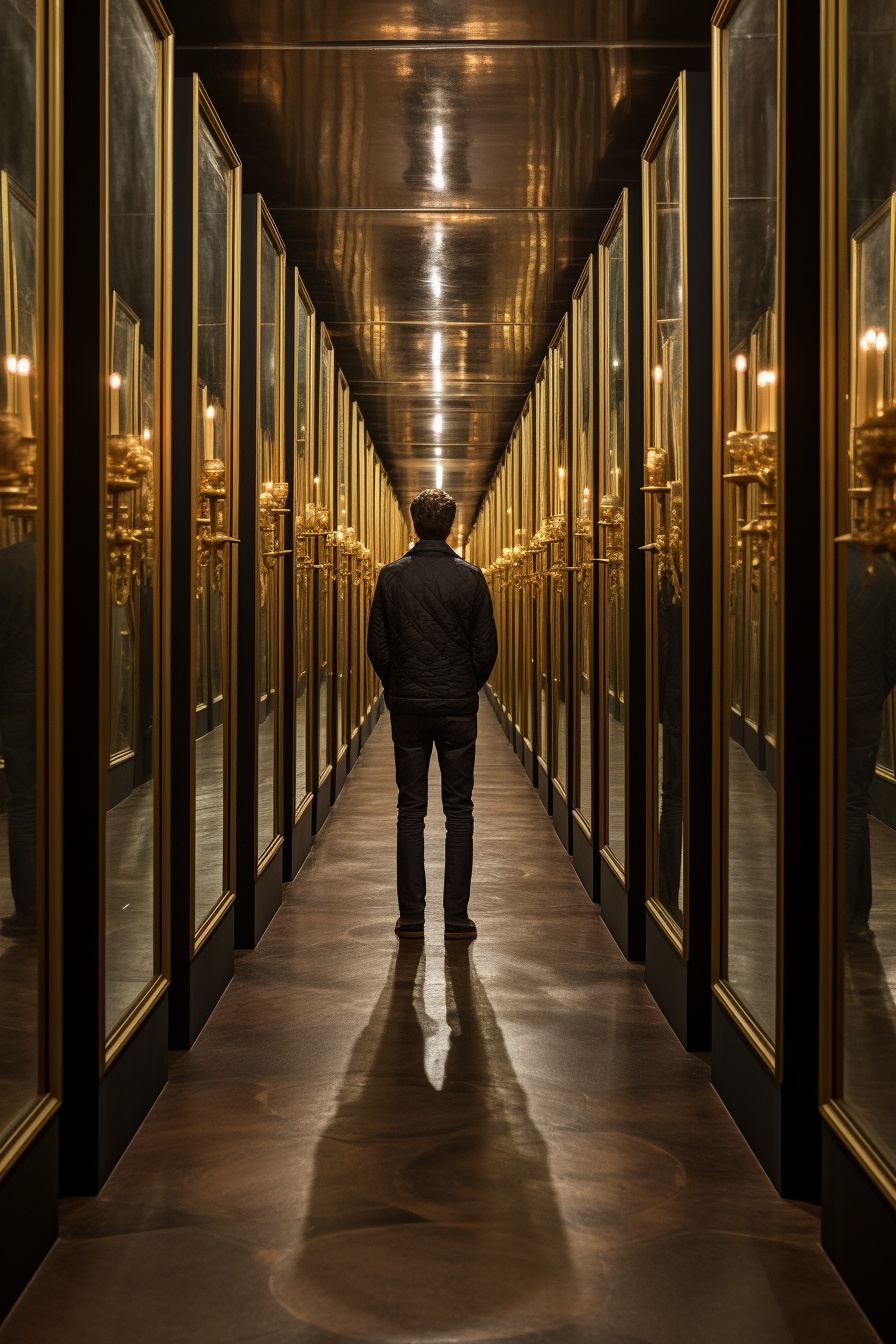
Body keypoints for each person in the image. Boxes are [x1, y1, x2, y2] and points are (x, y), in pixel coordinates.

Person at [366, 488, 497, 940]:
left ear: (414, 523)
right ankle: (457, 917)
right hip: (458, 707)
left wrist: (400, 685)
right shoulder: (472, 578)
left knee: (410, 809)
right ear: (452, 525)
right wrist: (463, 687)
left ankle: (412, 917)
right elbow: (485, 650)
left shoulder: (391, 577)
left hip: (408, 709)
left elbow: (377, 648)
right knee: (459, 810)